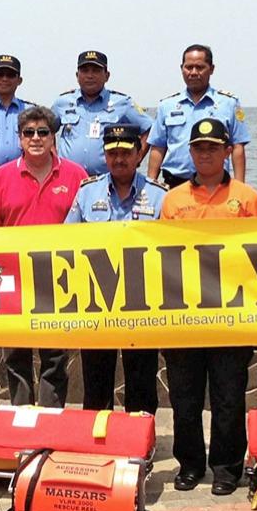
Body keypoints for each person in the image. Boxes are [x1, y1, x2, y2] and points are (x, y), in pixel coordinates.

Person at [160, 118, 257, 496]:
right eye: (199, 147)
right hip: (184, 317)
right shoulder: (173, 200)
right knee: (184, 399)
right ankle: (190, 465)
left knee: (228, 397)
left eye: (213, 147)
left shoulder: (248, 198)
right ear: (190, 152)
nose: (205, 153)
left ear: (226, 151)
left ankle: (227, 467)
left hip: (231, 316)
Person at [0, 106, 87, 406]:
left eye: (43, 132)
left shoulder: (77, 175)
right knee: (16, 356)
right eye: (29, 133)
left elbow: (87, 232)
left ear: (54, 137)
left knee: (54, 358)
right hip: (13, 280)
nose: (36, 138)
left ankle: (51, 417)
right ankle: (21, 413)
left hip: (59, 279)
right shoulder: (0, 178)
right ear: (19, 138)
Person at [64, 123, 167, 414]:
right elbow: (66, 239)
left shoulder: (159, 195)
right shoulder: (86, 192)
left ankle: (139, 439)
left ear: (139, 155)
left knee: (142, 379)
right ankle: (99, 439)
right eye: (112, 153)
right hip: (97, 300)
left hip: (142, 301)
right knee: (96, 379)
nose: (119, 159)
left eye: (125, 152)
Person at [148, 45, 249, 188]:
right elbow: (158, 147)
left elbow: (238, 146)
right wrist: (151, 185)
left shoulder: (229, 104)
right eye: (189, 67)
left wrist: (239, 187)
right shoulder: (167, 105)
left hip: (216, 185)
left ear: (212, 69)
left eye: (200, 67)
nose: (194, 72)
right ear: (181, 68)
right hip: (174, 184)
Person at [51, 50, 153, 177]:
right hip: (68, 178)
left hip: (106, 179)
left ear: (107, 75)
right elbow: (45, 130)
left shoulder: (122, 103)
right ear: (77, 75)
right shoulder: (62, 102)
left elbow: (150, 129)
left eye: (96, 70)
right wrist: (53, 159)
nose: (90, 75)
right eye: (85, 70)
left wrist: (136, 159)